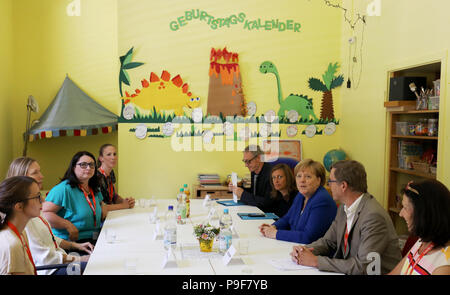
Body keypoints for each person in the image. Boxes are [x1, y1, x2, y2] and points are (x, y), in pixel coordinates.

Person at [290, 160, 402, 275]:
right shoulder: (344, 207)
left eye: (331, 181)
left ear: (343, 186)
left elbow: (363, 266)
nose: (328, 185)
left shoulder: (373, 216)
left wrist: (316, 261)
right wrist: (304, 251)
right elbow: (328, 241)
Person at [7, 157, 93, 275]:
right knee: (93, 267)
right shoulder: (24, 215)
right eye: (35, 172)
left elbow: (50, 238)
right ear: (22, 178)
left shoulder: (34, 206)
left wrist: (76, 246)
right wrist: (79, 259)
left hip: (58, 260)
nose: (41, 176)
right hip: (50, 269)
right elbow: (45, 257)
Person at [259, 159, 336, 243]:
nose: (302, 180)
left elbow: (308, 237)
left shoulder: (321, 200)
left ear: (318, 180)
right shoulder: (301, 195)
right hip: (296, 246)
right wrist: (273, 227)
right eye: (299, 176)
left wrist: (276, 233)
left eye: (308, 176)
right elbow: (287, 218)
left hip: (312, 251)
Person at [43, 151, 107, 246]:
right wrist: (67, 225)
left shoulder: (94, 187)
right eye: (83, 165)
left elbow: (101, 206)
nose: (88, 168)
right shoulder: (63, 189)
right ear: (73, 168)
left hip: (95, 237)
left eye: (91, 165)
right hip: (72, 243)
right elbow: (44, 214)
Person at [388, 179, 450, 275]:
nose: (401, 214)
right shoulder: (422, 242)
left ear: (424, 214)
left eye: (405, 208)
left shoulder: (444, 266)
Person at [0, 176, 41, 275]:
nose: (42, 201)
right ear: (19, 206)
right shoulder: (12, 244)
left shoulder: (21, 232)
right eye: (37, 197)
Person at [228, 145, 273, 212]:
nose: (246, 165)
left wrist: (243, 194)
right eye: (244, 161)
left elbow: (266, 202)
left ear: (258, 158)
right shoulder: (254, 172)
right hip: (256, 210)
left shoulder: (271, 174)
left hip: (269, 214)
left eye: (248, 161)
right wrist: (237, 188)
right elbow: (254, 193)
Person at [97, 144, 135, 211]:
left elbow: (114, 196)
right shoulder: (96, 176)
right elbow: (102, 207)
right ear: (101, 158)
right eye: (109, 154)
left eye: (114, 154)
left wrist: (125, 202)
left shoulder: (111, 173)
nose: (113, 157)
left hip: (111, 213)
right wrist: (123, 205)